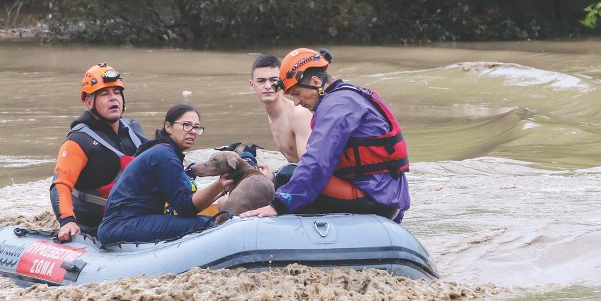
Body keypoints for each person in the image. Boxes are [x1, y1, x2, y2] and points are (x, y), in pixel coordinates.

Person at [241, 48, 411, 222]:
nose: (297, 102)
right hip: (385, 195)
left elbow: (316, 161)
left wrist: (279, 205)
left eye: (297, 94)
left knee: (288, 176)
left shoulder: (335, 106)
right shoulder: (348, 94)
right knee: (291, 177)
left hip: (376, 199)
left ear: (315, 81)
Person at [96, 104, 234, 245]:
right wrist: (220, 185)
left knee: (210, 220)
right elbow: (186, 207)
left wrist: (221, 188)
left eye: (197, 127)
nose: (192, 131)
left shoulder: (160, 150)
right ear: (168, 127)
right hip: (122, 225)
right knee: (211, 223)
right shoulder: (165, 155)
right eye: (186, 125)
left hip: (128, 222)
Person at [51, 63, 147, 242]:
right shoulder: (78, 140)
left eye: (117, 93)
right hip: (98, 227)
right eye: (104, 94)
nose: (113, 99)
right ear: (89, 102)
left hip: (135, 216)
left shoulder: (133, 129)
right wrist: (67, 221)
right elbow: (60, 185)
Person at [249, 54, 312, 163]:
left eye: (273, 80)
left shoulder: (298, 115)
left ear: (283, 83)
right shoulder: (272, 114)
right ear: (252, 85)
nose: (268, 86)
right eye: (261, 81)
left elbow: (310, 166)